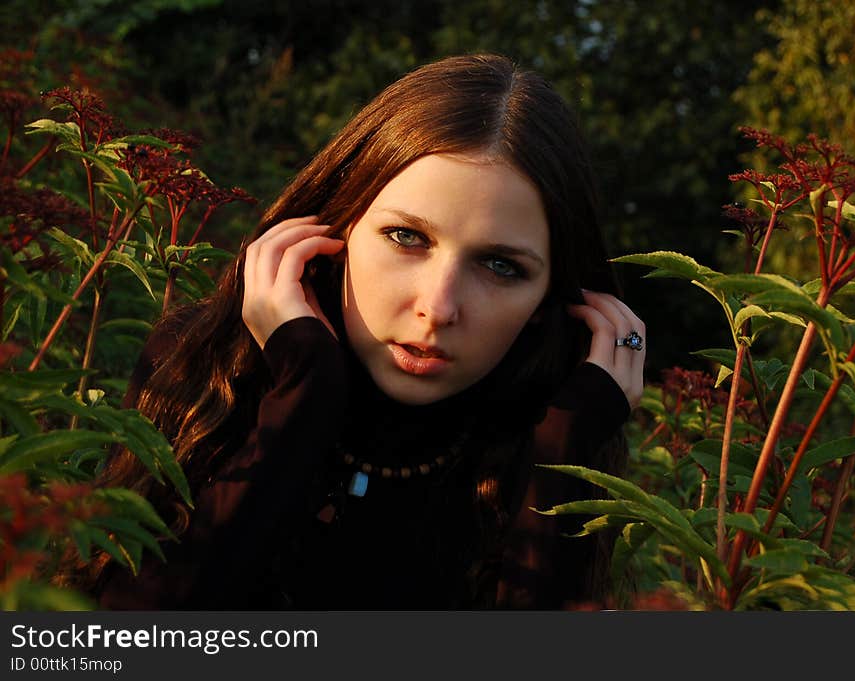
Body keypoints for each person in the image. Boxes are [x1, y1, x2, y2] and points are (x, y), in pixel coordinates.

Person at [63, 53, 645, 609]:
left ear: (550, 301)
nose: (439, 307)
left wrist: (561, 461)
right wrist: (303, 397)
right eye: (406, 237)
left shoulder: (546, 437)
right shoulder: (205, 369)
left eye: (500, 266)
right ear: (333, 227)